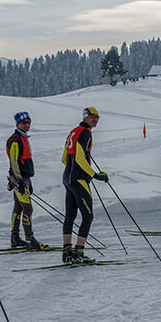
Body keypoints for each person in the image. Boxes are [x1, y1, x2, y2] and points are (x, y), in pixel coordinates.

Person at [61, 107, 108, 264]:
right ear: (85, 117)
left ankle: (67, 253)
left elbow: (64, 158)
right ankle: (79, 253)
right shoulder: (85, 133)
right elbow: (80, 157)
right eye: (92, 117)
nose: (95, 119)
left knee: (70, 216)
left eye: (97, 117)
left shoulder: (73, 131)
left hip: (68, 179)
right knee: (88, 216)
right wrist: (94, 174)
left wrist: (72, 168)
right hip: (79, 179)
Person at [7, 111, 48, 250]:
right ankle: (29, 238)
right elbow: (14, 161)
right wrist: (18, 181)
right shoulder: (15, 140)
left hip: (24, 179)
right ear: (17, 124)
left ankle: (15, 238)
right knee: (28, 208)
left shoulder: (24, 138)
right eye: (23, 123)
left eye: (28, 122)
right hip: (19, 179)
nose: (27, 125)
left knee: (18, 208)